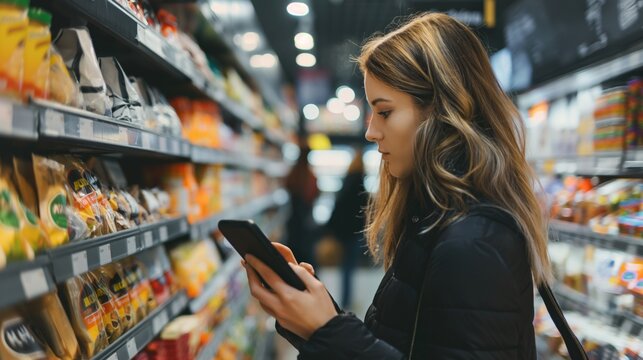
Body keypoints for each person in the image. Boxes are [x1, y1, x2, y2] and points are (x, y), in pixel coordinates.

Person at [241, 13, 551, 359]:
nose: (371, 132)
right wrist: (317, 318)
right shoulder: (435, 218)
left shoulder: (473, 240)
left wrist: (326, 331)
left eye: (384, 112)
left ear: (442, 113)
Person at [326, 147, 369, 309]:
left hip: (343, 232)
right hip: (355, 232)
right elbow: (363, 211)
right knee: (349, 267)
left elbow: (338, 207)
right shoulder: (360, 186)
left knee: (345, 267)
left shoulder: (346, 183)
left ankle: (345, 299)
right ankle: (346, 300)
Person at [284, 144, 319, 267]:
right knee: (307, 259)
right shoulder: (311, 176)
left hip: (293, 222)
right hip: (307, 223)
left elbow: (287, 187)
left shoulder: (293, 173)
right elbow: (315, 194)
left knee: (293, 257)